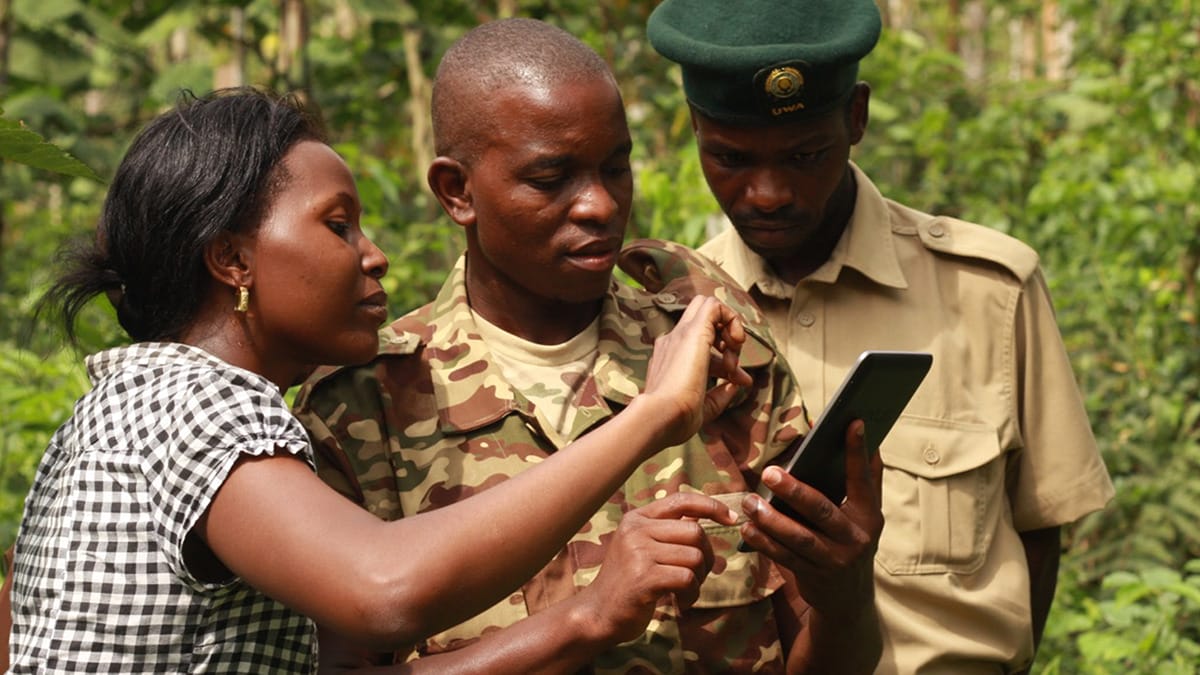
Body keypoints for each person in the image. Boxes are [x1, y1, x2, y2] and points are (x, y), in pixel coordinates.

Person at [6, 87, 759, 673]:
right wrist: (655, 412)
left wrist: (588, 614)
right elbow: (384, 588)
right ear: (233, 260)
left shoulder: (130, 402)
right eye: (337, 225)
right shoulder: (197, 404)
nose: (374, 256)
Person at [295, 18, 884, 674]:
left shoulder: (716, 352)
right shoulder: (365, 404)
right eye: (552, 179)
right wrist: (587, 617)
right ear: (457, 192)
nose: (600, 206)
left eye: (615, 167)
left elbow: (827, 653)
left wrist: (848, 594)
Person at [643, 1, 1117, 673]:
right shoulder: (669, 316)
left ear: (855, 117)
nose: (770, 192)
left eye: (806, 154)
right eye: (731, 158)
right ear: (694, 130)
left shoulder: (986, 291)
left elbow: (1039, 532)